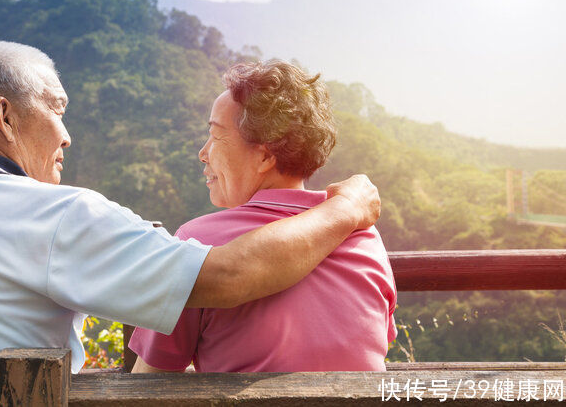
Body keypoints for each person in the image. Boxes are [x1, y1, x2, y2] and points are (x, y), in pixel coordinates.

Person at [0, 41, 380, 380]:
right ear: (5, 117)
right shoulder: (55, 215)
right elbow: (229, 273)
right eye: (56, 109)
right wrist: (347, 210)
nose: (67, 134)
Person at [130, 60, 397, 372]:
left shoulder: (200, 244)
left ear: (266, 155)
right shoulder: (363, 236)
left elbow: (149, 383)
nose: (203, 152)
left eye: (216, 136)